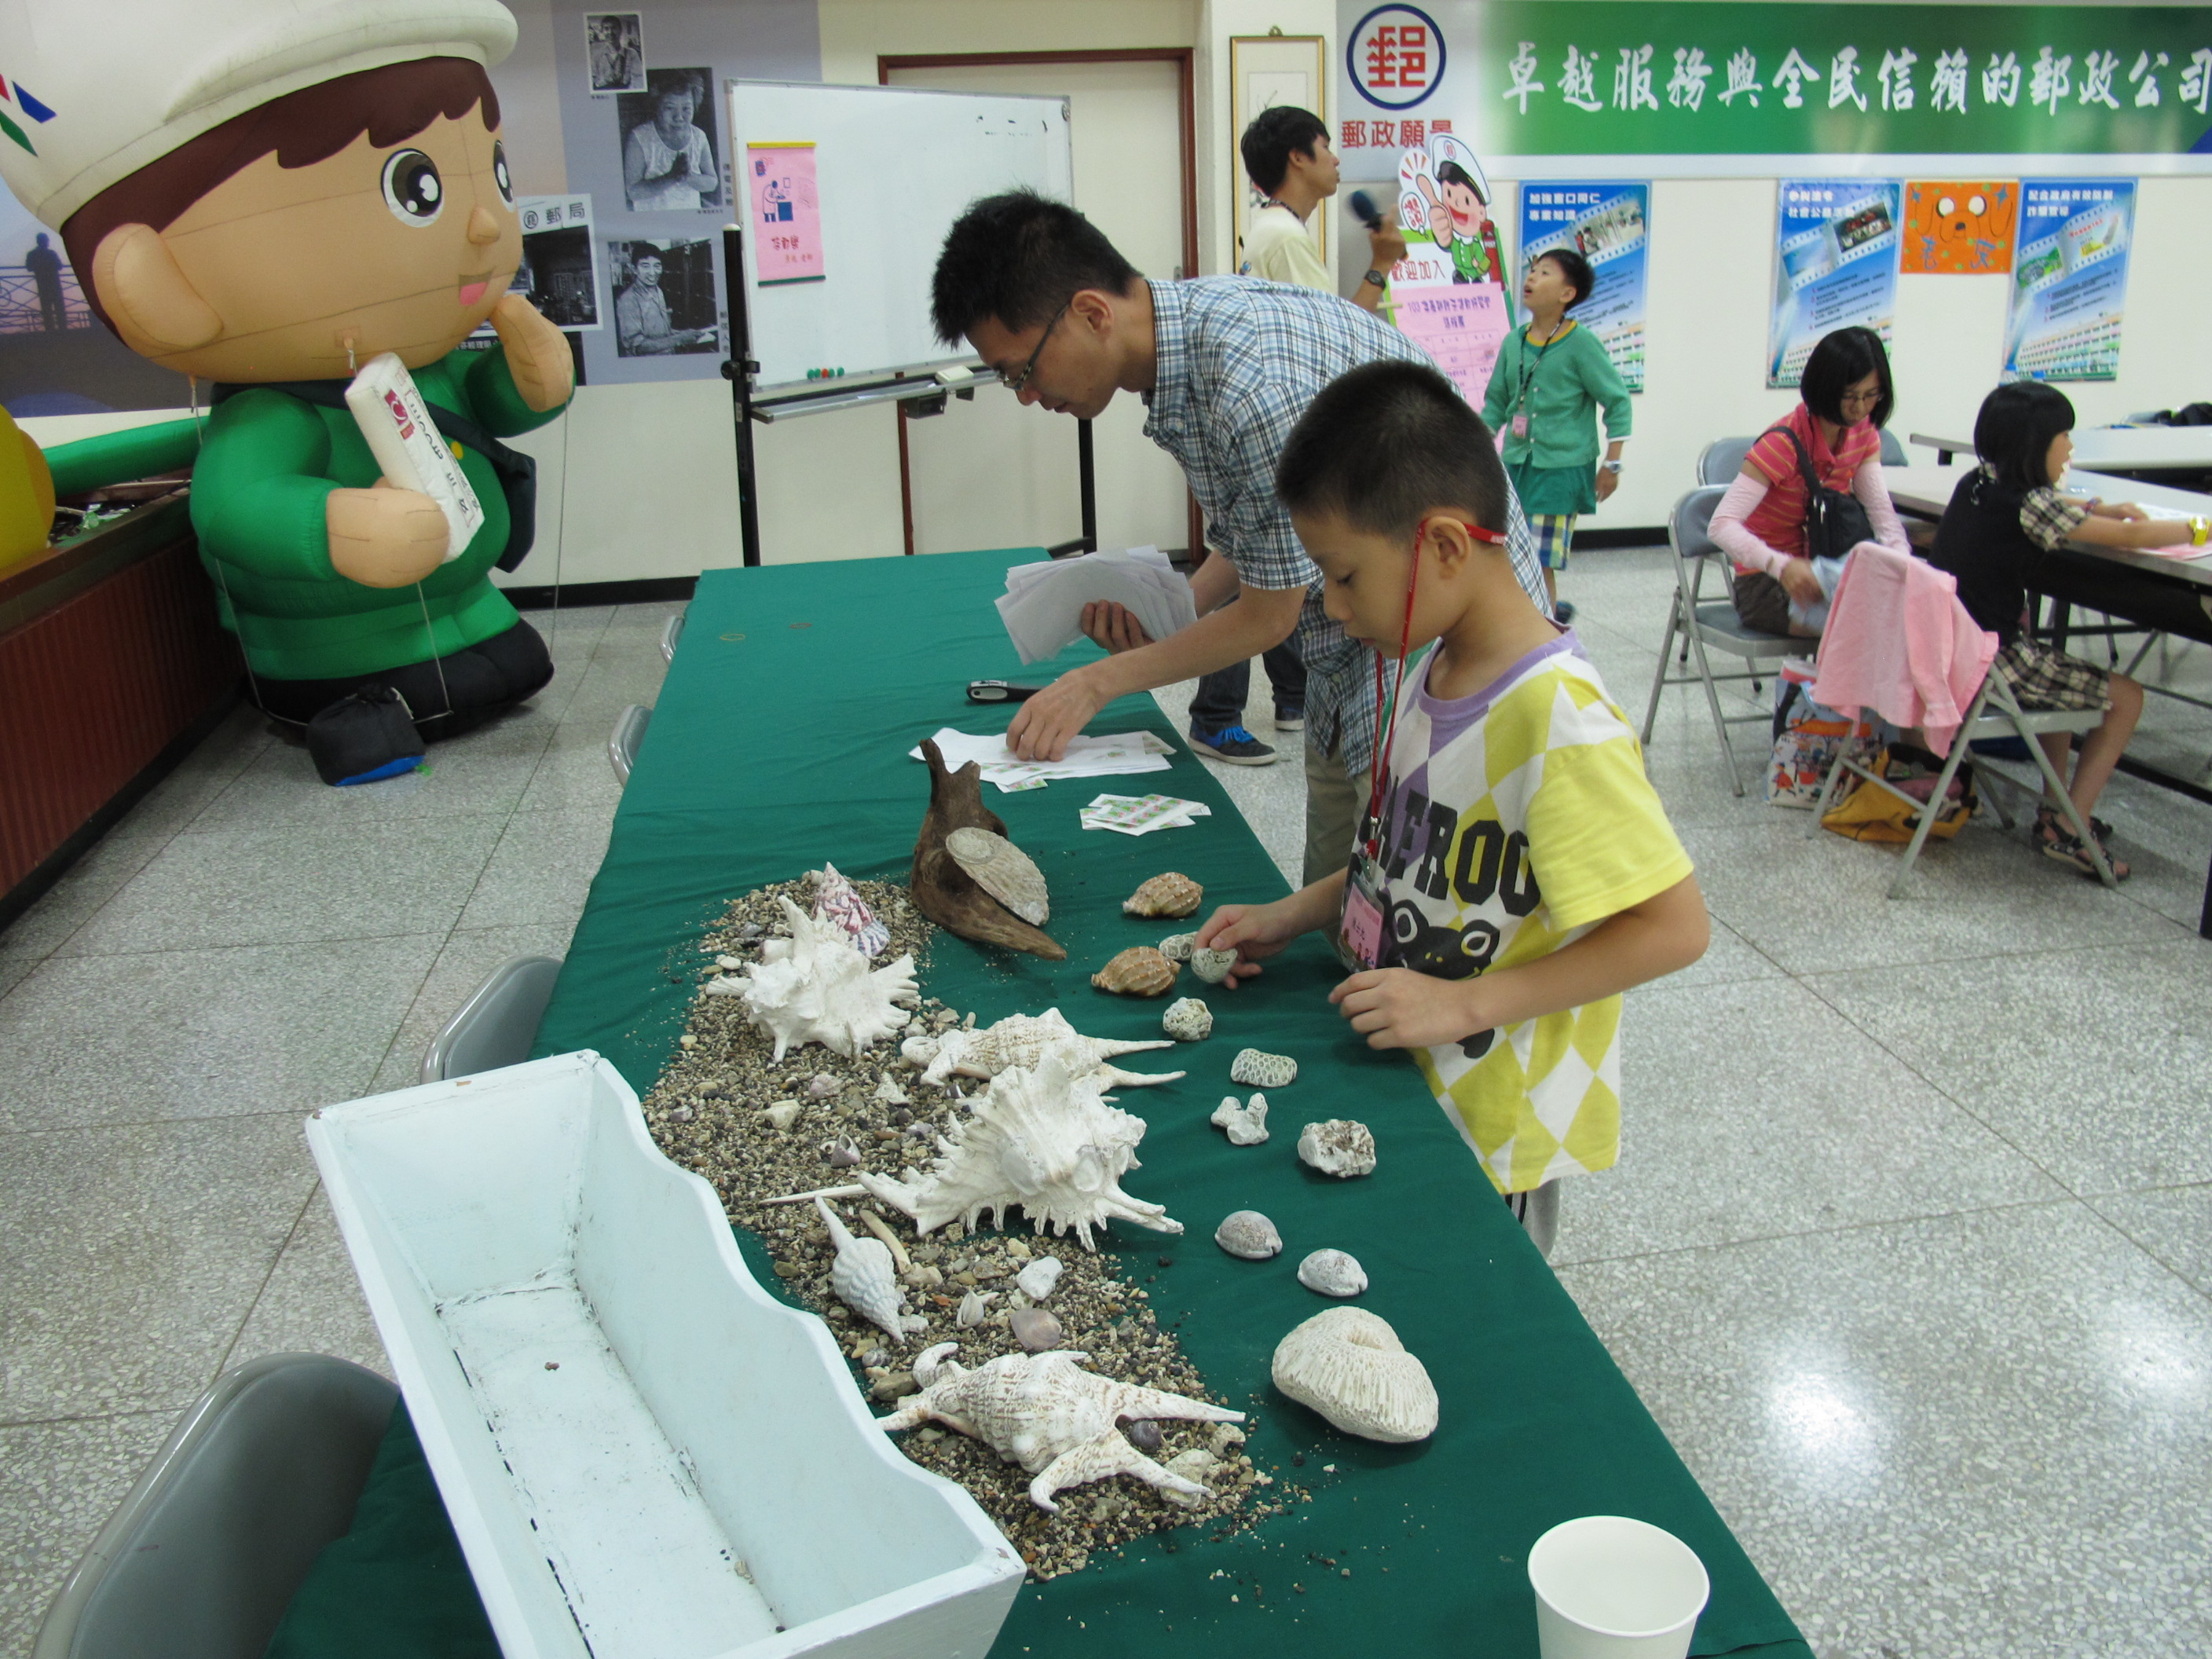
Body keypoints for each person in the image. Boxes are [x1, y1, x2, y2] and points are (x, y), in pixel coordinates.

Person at [1191, 361, 1708, 1256]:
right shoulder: (1428, 662)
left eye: (1343, 575)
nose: (1329, 603)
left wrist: (1463, 1007)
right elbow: (1396, 857)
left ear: (1440, 547)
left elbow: (1673, 929)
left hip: (1490, 1126)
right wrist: (1298, 910)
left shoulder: (1559, 721)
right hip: (1404, 1074)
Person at [930, 189, 1551, 885]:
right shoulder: (1188, 346)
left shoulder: (1245, 380)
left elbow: (1271, 612)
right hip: (1362, 642)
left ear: (1093, 314)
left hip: (1431, 640)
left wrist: (1098, 683)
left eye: (1023, 370)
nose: (1025, 395)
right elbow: (1262, 537)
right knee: (1347, 878)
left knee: (1408, 887)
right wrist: (1174, 615)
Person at [1928, 383, 2196, 880]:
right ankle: (2072, 827)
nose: (2071, 447)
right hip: (1995, 662)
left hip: (1952, 652)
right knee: (2128, 697)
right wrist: (2197, 529)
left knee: (2063, 684)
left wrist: (2098, 510)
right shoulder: (2032, 506)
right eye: (2063, 436)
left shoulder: (1978, 480)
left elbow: (2054, 508)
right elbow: (2133, 537)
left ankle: (2057, 813)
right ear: (2035, 446)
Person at [1709, 326, 1910, 636]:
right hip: (1769, 583)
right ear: (1825, 388)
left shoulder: (1864, 433)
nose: (1860, 408)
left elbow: (1881, 513)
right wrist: (1781, 565)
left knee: (1906, 612)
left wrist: (1903, 565)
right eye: (1849, 396)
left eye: (1871, 396)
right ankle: (1809, 686)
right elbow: (1721, 525)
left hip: (1827, 571)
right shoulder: (1783, 444)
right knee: (1872, 632)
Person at [1480, 247, 1629, 627]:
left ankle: (1544, 633)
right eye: (1531, 270)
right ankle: (1519, 624)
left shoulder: (1581, 343)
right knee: (1508, 552)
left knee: (1540, 560)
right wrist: (1475, 448)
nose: (1531, 278)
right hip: (1516, 463)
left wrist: (1612, 464)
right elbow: (1497, 402)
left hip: (1562, 468)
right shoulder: (1514, 341)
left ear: (1567, 294)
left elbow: (1617, 401)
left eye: (1545, 273)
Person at [1238, 104, 1405, 316]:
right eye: (1325, 147)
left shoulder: (1272, 224)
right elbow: (1336, 335)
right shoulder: (1287, 236)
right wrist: (1382, 263)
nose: (1336, 159)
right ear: (1298, 157)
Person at [624, 73, 717, 211]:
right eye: (669, 108)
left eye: (686, 109)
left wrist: (687, 176)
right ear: (656, 107)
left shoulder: (699, 136)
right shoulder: (639, 137)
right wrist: (671, 177)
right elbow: (633, 192)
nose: (679, 117)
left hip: (692, 220)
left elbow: (712, 182)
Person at [614, 246, 712, 354]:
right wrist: (680, 339)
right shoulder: (628, 300)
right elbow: (637, 347)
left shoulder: (658, 291)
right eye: (645, 266)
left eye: (657, 266)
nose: (653, 273)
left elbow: (661, 333)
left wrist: (683, 334)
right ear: (634, 269)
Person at [24, 230, 64, 330]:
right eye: (46, 240)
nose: (47, 242)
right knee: (58, 308)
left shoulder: (32, 254)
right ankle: (62, 329)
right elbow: (59, 266)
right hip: (53, 284)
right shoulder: (51, 253)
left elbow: (29, 267)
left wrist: (40, 267)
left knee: (47, 309)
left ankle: (51, 329)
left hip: (43, 285)